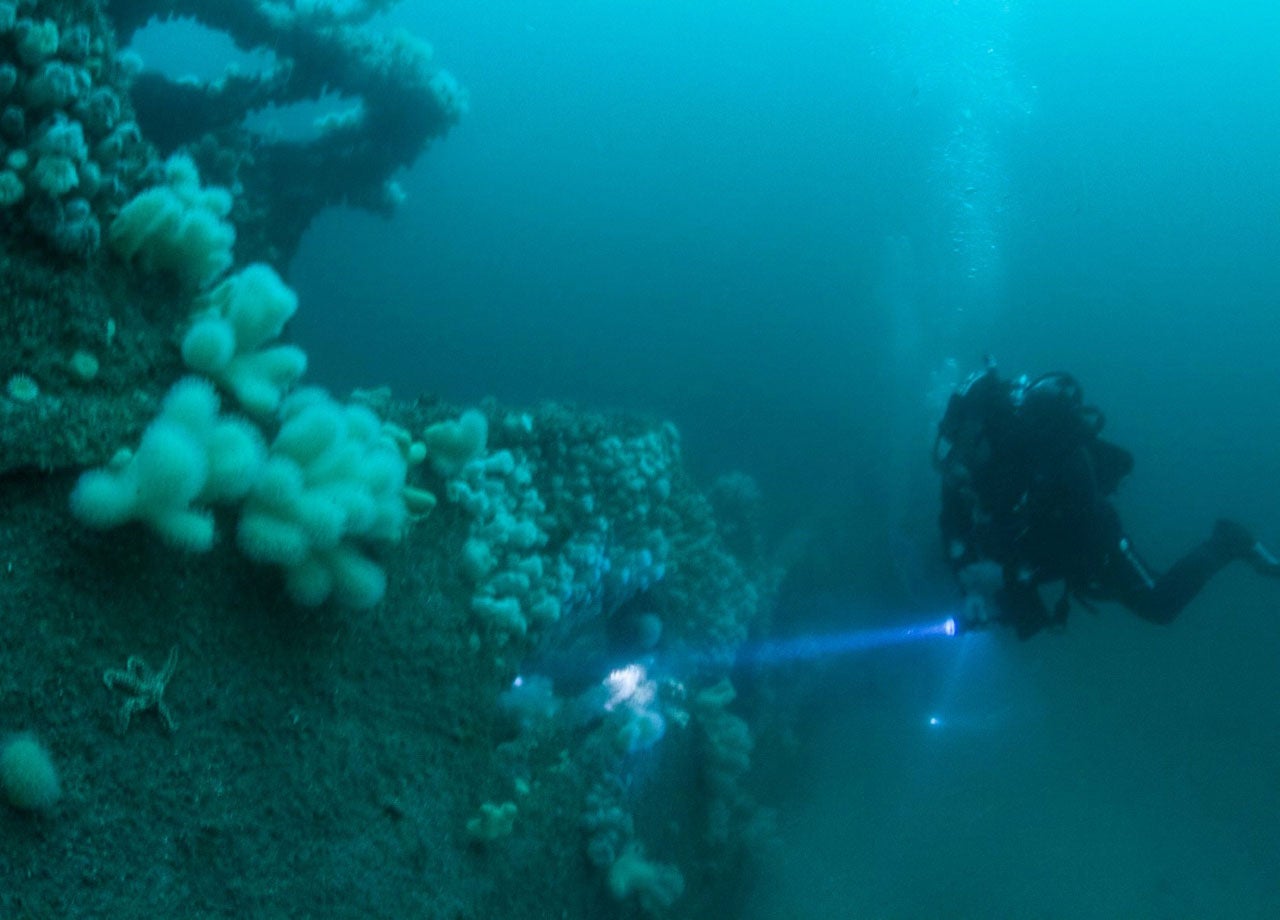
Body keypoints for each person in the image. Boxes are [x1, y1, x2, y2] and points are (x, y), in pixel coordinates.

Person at [933, 359, 1280, 638]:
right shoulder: (966, 466)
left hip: (1091, 534)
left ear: (982, 430)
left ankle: (1227, 541)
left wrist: (1007, 573)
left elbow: (1080, 524)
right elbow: (953, 526)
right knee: (1020, 616)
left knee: (1158, 604)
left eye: (964, 447)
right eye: (953, 451)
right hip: (1029, 547)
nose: (960, 466)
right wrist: (972, 588)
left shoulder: (1052, 452)